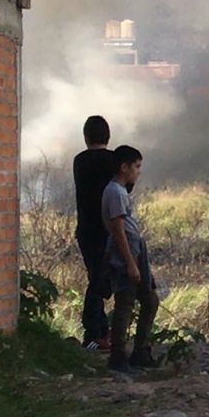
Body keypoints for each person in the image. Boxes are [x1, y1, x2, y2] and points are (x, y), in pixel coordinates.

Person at [104, 145, 160, 373]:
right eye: (136, 167)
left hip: (134, 249)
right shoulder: (115, 192)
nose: (138, 172)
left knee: (150, 300)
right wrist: (130, 263)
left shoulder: (120, 191)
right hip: (125, 251)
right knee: (125, 304)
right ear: (123, 167)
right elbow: (118, 229)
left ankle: (140, 351)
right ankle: (119, 358)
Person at [72, 116, 117, 350]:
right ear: (107, 136)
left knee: (96, 278)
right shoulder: (114, 161)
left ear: (86, 136)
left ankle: (99, 332)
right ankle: (95, 333)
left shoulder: (79, 161)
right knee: (101, 281)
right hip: (109, 229)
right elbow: (125, 186)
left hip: (86, 230)